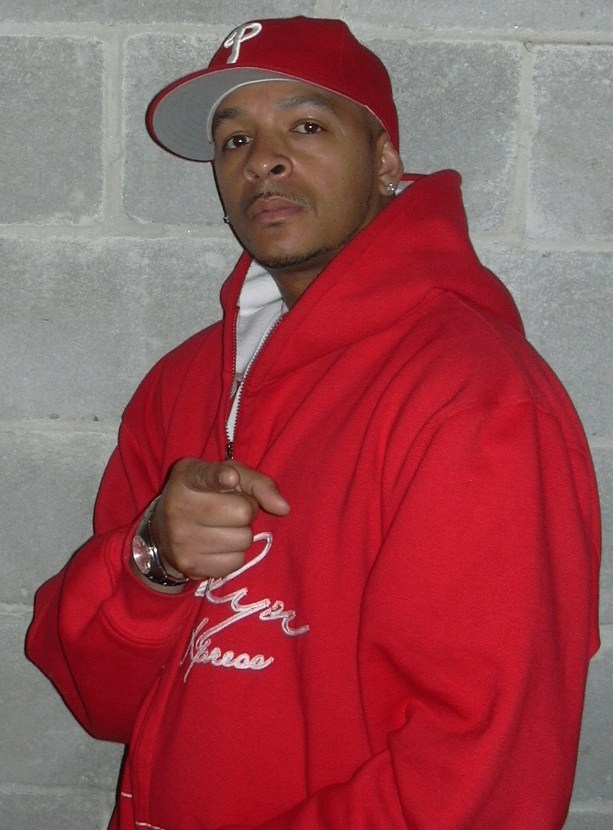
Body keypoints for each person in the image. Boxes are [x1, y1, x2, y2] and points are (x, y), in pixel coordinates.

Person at [26, 15, 601, 830]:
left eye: (305, 126)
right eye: (234, 140)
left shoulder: (474, 397)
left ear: (385, 162)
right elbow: (102, 702)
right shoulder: (180, 385)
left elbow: (480, 778)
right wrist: (154, 562)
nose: (260, 159)